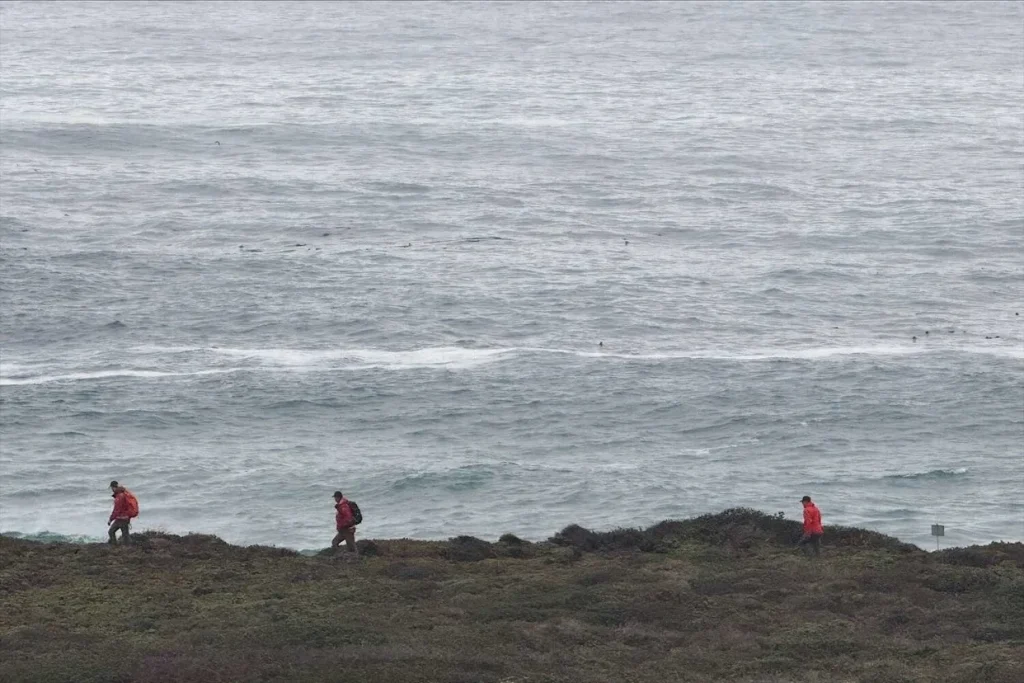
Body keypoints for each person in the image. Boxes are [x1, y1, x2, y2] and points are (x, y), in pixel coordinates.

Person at [332, 490, 359, 557]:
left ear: (338, 497)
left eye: (335, 497)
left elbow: (348, 517)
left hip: (347, 530)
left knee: (351, 547)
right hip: (342, 530)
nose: (335, 499)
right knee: (334, 542)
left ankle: (355, 559)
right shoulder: (340, 505)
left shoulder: (343, 506)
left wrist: (346, 525)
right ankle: (340, 555)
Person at [108, 481, 136, 545]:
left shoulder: (119, 496)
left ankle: (115, 547)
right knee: (125, 535)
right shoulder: (123, 493)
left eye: (111, 488)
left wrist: (110, 519)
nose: (112, 490)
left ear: (113, 487)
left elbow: (116, 510)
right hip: (124, 518)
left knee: (112, 532)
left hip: (122, 519)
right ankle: (127, 548)